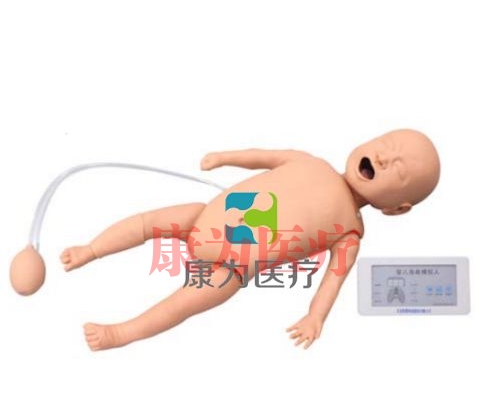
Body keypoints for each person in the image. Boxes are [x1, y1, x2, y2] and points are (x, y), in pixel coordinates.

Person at [60, 129, 440, 351]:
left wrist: (315, 316)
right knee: (148, 222)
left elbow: (334, 278)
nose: (384, 158)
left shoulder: (350, 232)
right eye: (385, 144)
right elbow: (262, 156)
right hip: (203, 217)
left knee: (183, 303)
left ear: (396, 209)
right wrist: (224, 157)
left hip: (232, 268)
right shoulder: (310, 161)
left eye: (398, 170)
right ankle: (91, 249)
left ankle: (120, 332)